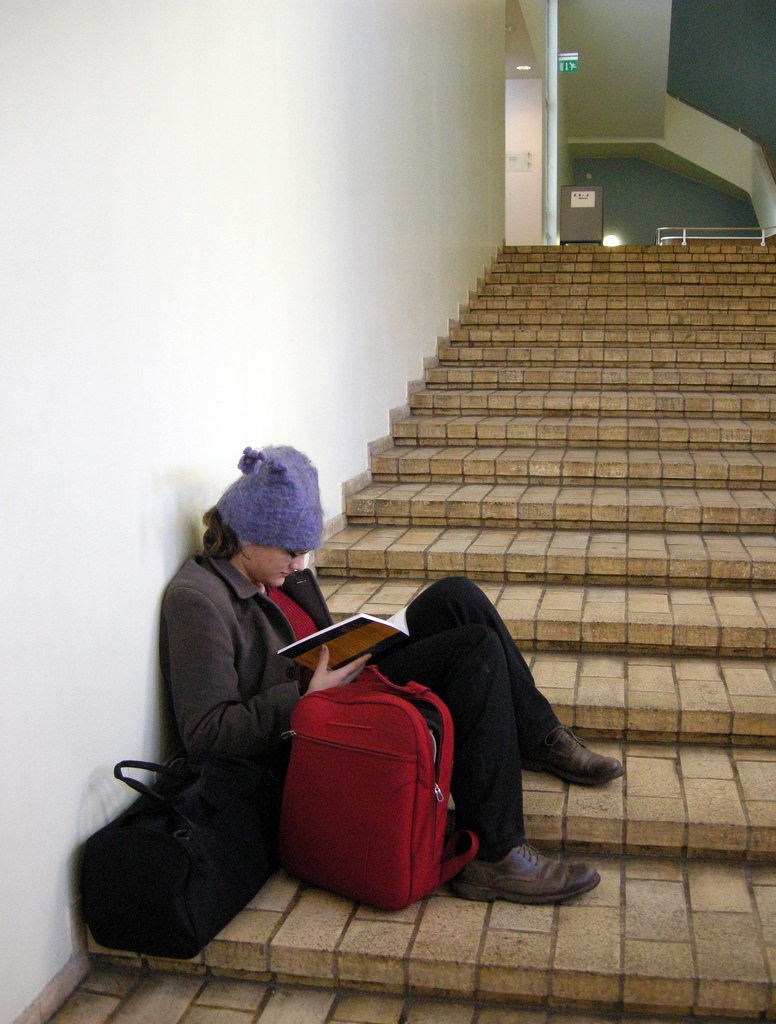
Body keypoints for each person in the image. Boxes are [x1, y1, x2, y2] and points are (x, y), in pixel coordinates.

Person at [160, 445, 623, 904]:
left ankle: (537, 736)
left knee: (457, 596)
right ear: (248, 538)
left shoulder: (277, 575)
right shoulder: (197, 600)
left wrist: (354, 642)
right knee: (473, 651)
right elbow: (206, 733)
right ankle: (494, 855)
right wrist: (304, 696)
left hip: (332, 688)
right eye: (292, 550)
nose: (300, 564)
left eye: (304, 550)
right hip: (309, 728)